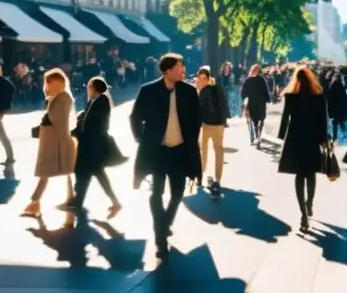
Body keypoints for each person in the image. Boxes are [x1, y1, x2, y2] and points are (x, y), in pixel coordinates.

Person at [130, 53, 202, 259]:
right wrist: (140, 140)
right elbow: (135, 117)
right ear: (168, 70)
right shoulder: (148, 90)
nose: (184, 70)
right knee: (156, 194)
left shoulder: (189, 91)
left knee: (178, 193)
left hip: (180, 151)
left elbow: (197, 118)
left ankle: (165, 222)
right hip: (157, 152)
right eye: (180, 66)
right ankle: (160, 238)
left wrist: (190, 140)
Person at [277, 66, 329, 233]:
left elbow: (285, 118)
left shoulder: (291, 97)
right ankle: (310, 203)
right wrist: (323, 139)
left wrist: (280, 137)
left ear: (296, 80)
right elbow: (323, 120)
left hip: (295, 139)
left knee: (299, 175)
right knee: (311, 173)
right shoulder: (318, 97)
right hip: (313, 139)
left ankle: (303, 215)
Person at [23, 69, 77, 217]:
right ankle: (36, 203)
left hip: (56, 142)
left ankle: (36, 203)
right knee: (55, 172)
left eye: (48, 82)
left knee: (50, 172)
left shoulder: (63, 98)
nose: (46, 86)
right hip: (52, 142)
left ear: (58, 83)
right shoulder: (57, 97)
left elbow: (60, 122)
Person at [69, 76, 123, 217]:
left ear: (94, 88)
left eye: (89, 87)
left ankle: (80, 200)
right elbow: (84, 123)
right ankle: (79, 200)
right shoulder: (92, 102)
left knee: (89, 172)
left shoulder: (102, 101)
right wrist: (74, 132)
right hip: (88, 143)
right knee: (87, 172)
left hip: (94, 144)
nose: (87, 90)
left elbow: (96, 124)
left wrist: (81, 130)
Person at [196, 66, 228, 197]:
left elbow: (223, 104)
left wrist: (224, 121)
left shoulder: (209, 90)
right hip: (207, 124)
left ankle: (217, 179)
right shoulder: (208, 90)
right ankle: (201, 174)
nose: (202, 80)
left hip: (214, 124)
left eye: (204, 78)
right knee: (204, 150)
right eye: (200, 78)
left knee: (217, 150)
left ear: (209, 79)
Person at [241, 64, 270, 148]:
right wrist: (245, 99)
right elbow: (243, 92)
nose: (255, 71)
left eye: (257, 70)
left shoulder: (261, 80)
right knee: (255, 121)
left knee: (262, 119)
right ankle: (257, 137)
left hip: (261, 103)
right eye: (254, 69)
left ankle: (259, 135)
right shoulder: (248, 80)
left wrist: (267, 99)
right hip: (252, 103)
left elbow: (265, 90)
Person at [326, 72, 347, 142]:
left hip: (334, 109)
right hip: (342, 109)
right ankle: (344, 135)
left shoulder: (332, 87)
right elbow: (346, 100)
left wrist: (329, 111)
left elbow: (329, 100)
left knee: (335, 124)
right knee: (341, 122)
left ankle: (335, 138)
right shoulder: (342, 87)